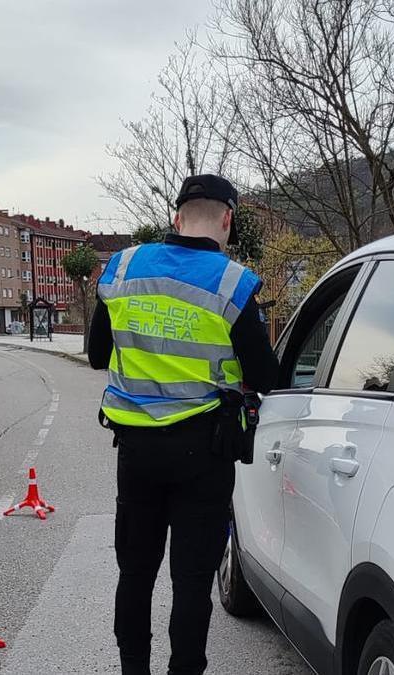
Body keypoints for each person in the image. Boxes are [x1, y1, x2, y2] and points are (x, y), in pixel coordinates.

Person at [87, 174, 279, 675]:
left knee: (135, 575)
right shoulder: (232, 283)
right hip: (204, 454)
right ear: (227, 220)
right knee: (191, 584)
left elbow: (95, 356)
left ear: (176, 217)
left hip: (136, 454)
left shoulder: (124, 267)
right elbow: (265, 375)